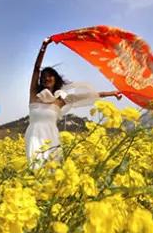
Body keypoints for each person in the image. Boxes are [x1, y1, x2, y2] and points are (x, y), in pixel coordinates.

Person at [27, 37, 120, 167]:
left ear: (55, 79)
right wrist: (44, 47)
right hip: (34, 135)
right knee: (36, 167)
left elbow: (88, 96)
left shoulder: (61, 100)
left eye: (49, 75)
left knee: (53, 171)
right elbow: (36, 69)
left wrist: (112, 93)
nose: (46, 78)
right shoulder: (34, 94)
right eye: (43, 77)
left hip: (52, 136)